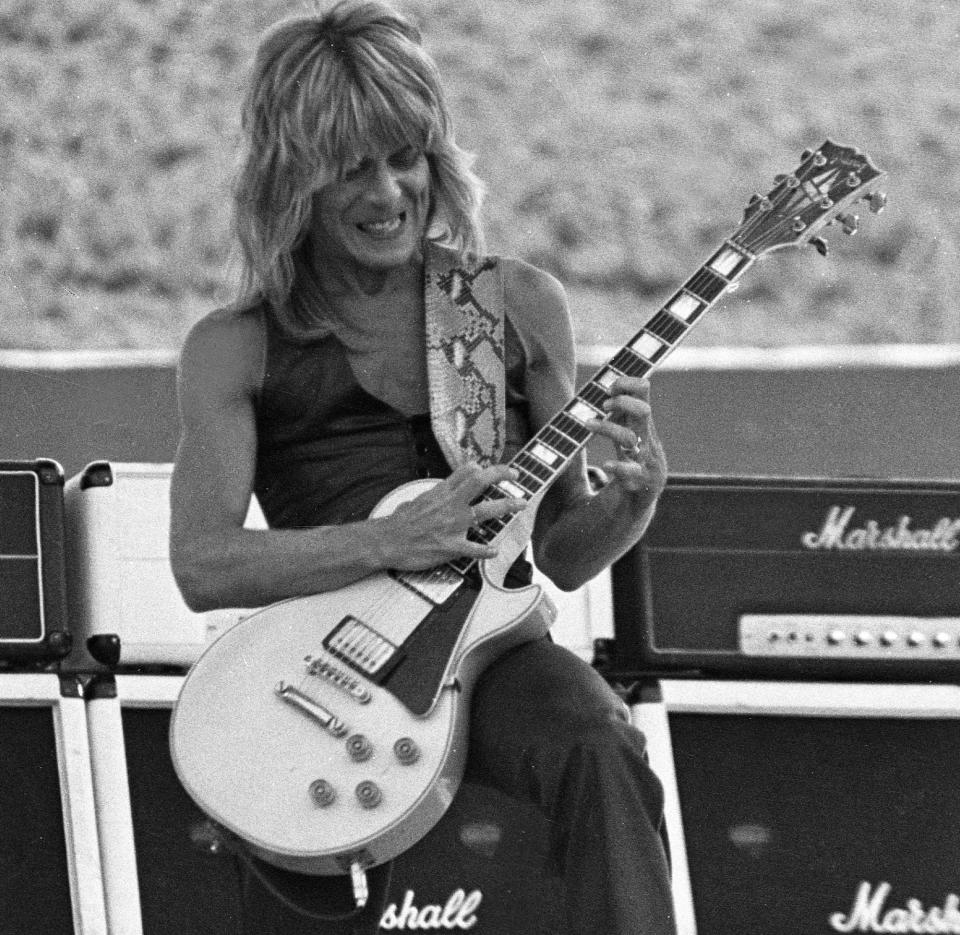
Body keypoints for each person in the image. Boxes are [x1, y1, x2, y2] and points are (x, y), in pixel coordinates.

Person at [169, 2, 675, 933]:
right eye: (351, 168)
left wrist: (636, 497)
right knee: (299, 867)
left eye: (404, 156)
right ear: (293, 182)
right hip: (322, 670)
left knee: (601, 742)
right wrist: (395, 538)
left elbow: (559, 551)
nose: (389, 191)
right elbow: (203, 565)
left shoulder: (510, 304)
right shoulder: (236, 346)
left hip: (501, 656)